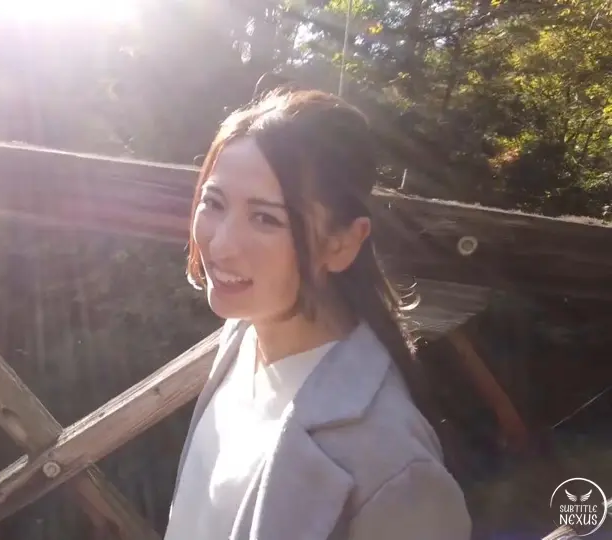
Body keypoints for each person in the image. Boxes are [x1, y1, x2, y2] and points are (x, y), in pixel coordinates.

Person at [163, 88, 472, 540]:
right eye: (213, 203)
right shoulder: (245, 335)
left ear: (342, 243)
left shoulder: (392, 464)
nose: (221, 244)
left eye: (266, 219)